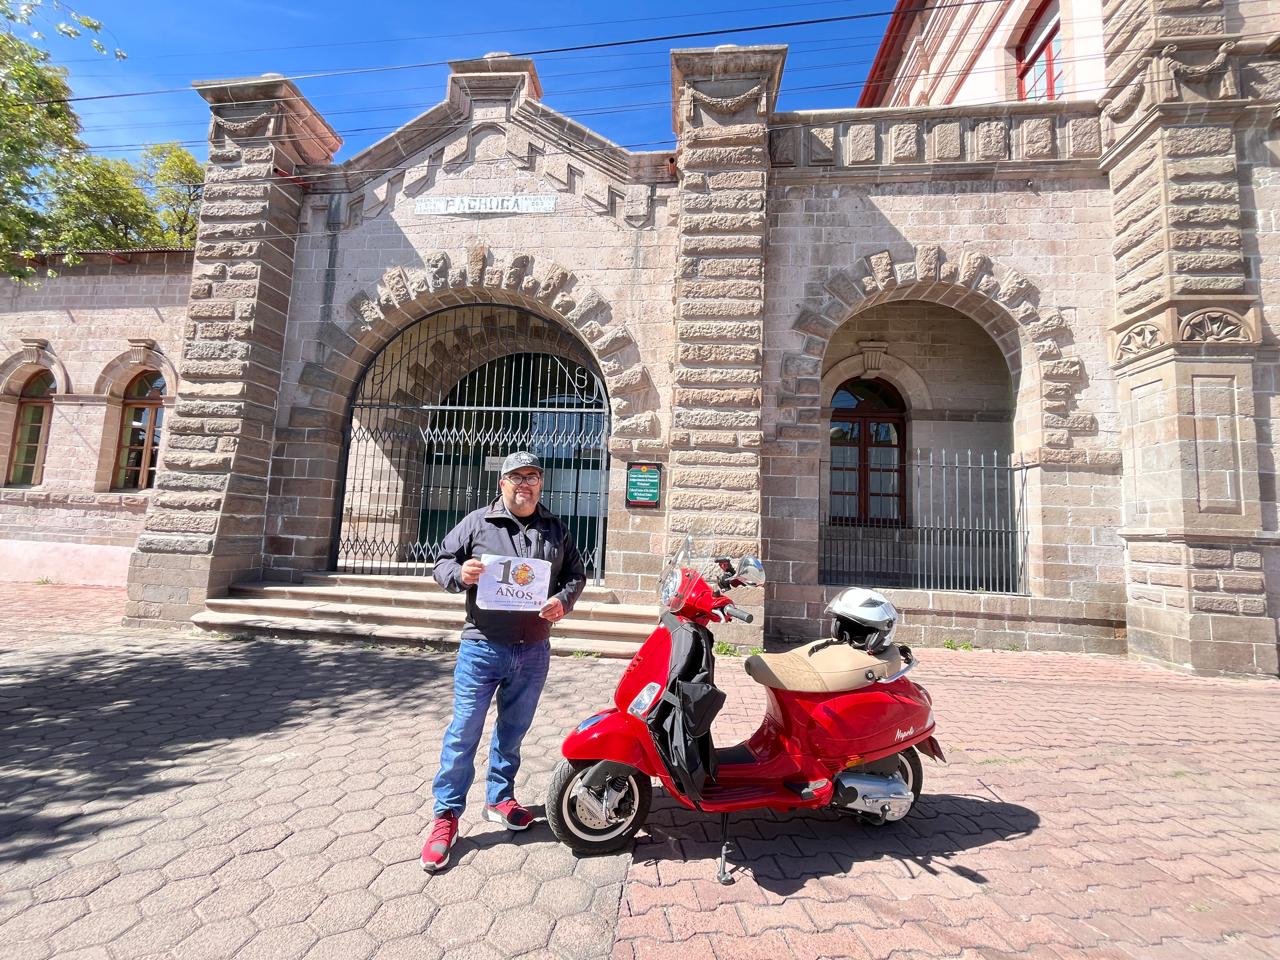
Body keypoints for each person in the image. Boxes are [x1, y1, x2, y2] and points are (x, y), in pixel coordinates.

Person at [420, 451, 586, 872]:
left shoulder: (555, 529)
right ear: (502, 483)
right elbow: (442, 562)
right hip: (482, 647)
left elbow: (575, 575)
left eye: (532, 476)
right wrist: (462, 575)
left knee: (512, 732)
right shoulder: (478, 523)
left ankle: (500, 798)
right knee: (463, 733)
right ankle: (446, 818)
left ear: (541, 484)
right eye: (516, 476)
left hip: (532, 651)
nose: (524, 483)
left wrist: (561, 602)